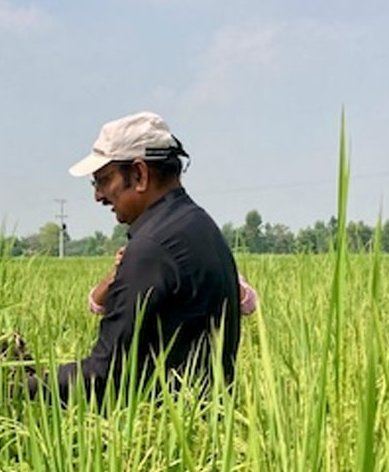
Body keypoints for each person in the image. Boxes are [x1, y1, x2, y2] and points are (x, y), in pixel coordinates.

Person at [31, 111, 241, 401]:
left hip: (166, 428)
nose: (98, 196)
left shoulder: (152, 248)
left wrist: (21, 387)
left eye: (104, 180)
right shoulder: (199, 225)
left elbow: (104, 376)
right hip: (204, 418)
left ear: (140, 175)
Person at [88, 246, 259, 316]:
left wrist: (211, 268)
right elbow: (96, 304)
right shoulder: (143, 258)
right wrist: (119, 271)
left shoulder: (207, 255)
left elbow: (248, 303)